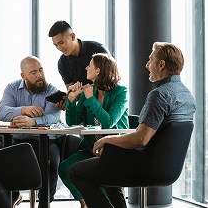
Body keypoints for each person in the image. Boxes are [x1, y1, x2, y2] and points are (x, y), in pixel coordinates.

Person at [67, 42, 196, 208]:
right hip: (169, 169)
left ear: (161, 64)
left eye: (151, 60)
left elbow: (141, 139)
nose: (147, 65)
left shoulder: (159, 95)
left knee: (75, 172)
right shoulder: (186, 94)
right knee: (107, 167)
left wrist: (106, 140)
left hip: (147, 165)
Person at [58, 53, 129, 208]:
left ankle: (99, 201)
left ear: (98, 71)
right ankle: (87, 202)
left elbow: (109, 122)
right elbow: (73, 123)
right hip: (91, 146)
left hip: (114, 148)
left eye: (89, 65)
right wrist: (71, 101)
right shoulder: (88, 91)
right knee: (65, 168)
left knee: (102, 174)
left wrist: (90, 99)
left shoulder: (120, 92)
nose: (86, 68)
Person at [0, 55, 62, 204]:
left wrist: (32, 121)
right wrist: (24, 109)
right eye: (33, 72)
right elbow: (1, 112)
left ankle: (45, 202)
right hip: (19, 138)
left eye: (40, 70)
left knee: (51, 162)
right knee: (6, 161)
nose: (39, 75)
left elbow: (53, 118)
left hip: (46, 141)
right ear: (23, 76)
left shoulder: (53, 91)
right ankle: (12, 198)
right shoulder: (12, 88)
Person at [48, 20, 110, 110]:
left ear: (73, 36)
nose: (59, 48)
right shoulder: (62, 63)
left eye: (61, 43)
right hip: (86, 110)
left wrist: (82, 92)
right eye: (55, 45)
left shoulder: (98, 50)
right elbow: (74, 93)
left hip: (106, 105)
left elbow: (109, 84)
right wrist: (69, 100)